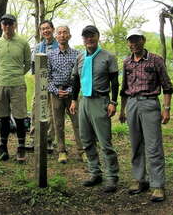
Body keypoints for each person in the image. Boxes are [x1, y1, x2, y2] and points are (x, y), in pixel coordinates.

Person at [119, 29, 173, 202]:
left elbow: (167, 85)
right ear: (128, 43)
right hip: (132, 104)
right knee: (135, 144)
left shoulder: (155, 60)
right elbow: (124, 88)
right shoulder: (127, 61)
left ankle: (157, 185)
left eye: (136, 40)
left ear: (143, 40)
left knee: (153, 146)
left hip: (150, 103)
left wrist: (166, 108)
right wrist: (122, 110)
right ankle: (139, 179)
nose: (133, 43)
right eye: (130, 41)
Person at [69, 25, 120, 193]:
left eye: (92, 36)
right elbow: (75, 80)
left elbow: (114, 81)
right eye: (86, 36)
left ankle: (112, 176)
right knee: (86, 139)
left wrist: (113, 102)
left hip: (100, 100)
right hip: (84, 101)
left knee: (105, 141)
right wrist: (74, 100)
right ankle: (94, 172)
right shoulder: (80, 57)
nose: (89, 39)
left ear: (98, 37)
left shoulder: (108, 56)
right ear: (82, 39)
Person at [0, 14, 31, 163]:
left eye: (10, 24)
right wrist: (3, 75)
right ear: (1, 26)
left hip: (17, 84)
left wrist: (16, 75)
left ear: (15, 25)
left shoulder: (23, 43)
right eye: (4, 24)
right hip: (0, 83)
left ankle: (21, 147)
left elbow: (27, 64)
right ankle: (3, 148)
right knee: (3, 117)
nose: (7, 27)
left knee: (20, 117)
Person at [47, 26, 83, 164]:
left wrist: (69, 91)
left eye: (65, 33)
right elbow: (47, 77)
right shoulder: (50, 55)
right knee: (58, 123)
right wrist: (56, 91)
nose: (62, 35)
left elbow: (79, 76)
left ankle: (82, 150)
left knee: (77, 122)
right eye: (59, 33)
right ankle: (62, 151)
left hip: (72, 93)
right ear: (56, 36)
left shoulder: (77, 54)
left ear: (69, 35)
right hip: (56, 93)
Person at [27, 20, 58, 152]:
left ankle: (49, 140)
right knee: (35, 109)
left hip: (54, 83)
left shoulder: (59, 46)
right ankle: (34, 138)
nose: (45, 31)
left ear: (53, 29)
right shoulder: (38, 47)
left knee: (50, 111)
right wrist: (37, 81)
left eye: (47, 28)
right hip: (40, 84)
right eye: (42, 29)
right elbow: (33, 67)